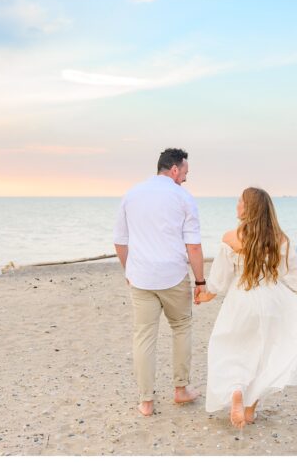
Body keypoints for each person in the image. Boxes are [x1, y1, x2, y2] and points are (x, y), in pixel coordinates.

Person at [196, 187, 297, 429]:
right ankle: (250, 408)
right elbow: (295, 273)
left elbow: (220, 278)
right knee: (265, 353)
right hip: (271, 301)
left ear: (250, 208)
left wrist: (206, 295)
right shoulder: (279, 240)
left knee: (232, 347)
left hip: (240, 301)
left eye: (240, 201)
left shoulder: (229, 238)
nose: (237, 205)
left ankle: (236, 389)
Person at [113, 148, 208, 417]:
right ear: (175, 169)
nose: (186, 178)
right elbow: (194, 246)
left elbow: (120, 241)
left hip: (141, 277)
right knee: (181, 327)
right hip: (173, 275)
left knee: (144, 336)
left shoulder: (131, 195)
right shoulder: (183, 197)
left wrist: (128, 270)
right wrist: (200, 281)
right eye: (186, 173)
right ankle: (180, 390)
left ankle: (146, 402)